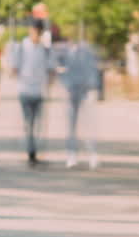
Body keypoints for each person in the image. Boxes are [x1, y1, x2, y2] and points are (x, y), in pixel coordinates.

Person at [8, 20, 56, 166]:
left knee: (38, 124)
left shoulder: (45, 49)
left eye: (38, 31)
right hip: (25, 90)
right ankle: (31, 153)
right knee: (29, 123)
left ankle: (34, 150)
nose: (36, 34)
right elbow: (13, 68)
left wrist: (50, 80)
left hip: (39, 91)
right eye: (34, 31)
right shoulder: (22, 47)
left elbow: (51, 69)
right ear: (30, 31)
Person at [58, 37, 101, 169]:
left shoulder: (87, 52)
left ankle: (92, 154)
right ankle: (71, 155)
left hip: (84, 92)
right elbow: (61, 72)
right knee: (71, 126)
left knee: (88, 125)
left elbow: (93, 70)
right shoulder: (65, 52)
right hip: (71, 92)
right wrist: (65, 86)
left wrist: (93, 88)